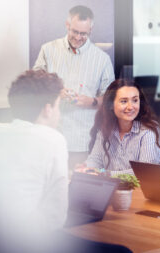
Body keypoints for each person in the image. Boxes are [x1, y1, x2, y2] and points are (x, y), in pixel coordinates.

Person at [0, 70, 68, 251]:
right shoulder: (53, 138)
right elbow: (55, 219)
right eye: (58, 106)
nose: (58, 114)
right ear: (48, 109)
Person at [33, 5, 115, 171]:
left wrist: (90, 101)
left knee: (77, 188)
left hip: (82, 141)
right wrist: (54, 89)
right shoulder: (48, 50)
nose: (78, 37)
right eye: (75, 31)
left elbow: (111, 100)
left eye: (83, 33)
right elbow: (33, 84)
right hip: (49, 134)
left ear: (90, 30)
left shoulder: (102, 59)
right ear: (67, 25)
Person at [82, 79, 160, 175]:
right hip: (113, 188)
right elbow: (95, 160)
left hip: (142, 190)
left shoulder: (149, 132)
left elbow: (145, 173)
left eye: (135, 100)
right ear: (111, 105)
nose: (130, 107)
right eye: (124, 101)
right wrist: (86, 168)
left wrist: (106, 174)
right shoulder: (105, 129)